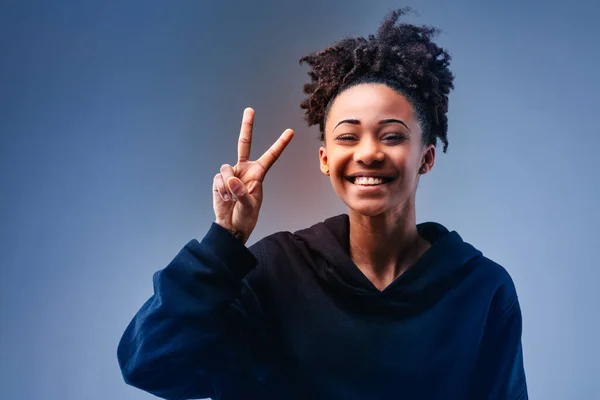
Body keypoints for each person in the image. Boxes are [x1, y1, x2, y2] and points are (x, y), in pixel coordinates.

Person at [117, 8, 528, 400]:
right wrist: (225, 240)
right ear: (325, 159)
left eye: (392, 136)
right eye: (348, 137)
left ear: (426, 157)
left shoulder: (481, 290)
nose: (368, 153)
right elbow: (150, 363)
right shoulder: (273, 273)